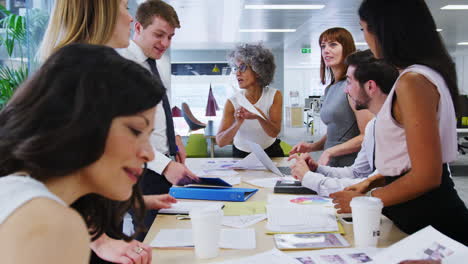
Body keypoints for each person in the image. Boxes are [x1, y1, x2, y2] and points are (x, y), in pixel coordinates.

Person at [37, 0, 176, 262]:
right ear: (99, 13)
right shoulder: (74, 73)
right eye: (124, 7)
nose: (129, 17)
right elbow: (52, 170)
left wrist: (137, 202)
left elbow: (87, 172)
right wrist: (98, 240)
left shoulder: (88, 67)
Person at [0, 44, 163, 264]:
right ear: (82, 122)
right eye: (135, 130)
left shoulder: (18, 194)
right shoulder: (49, 224)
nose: (149, 154)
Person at [330, 0, 468, 246]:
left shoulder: (413, 81)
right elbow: (405, 160)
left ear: (382, 30)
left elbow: (427, 176)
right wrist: (370, 182)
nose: (366, 38)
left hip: (429, 217)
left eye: (363, 29)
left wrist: (368, 199)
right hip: (413, 210)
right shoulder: (423, 74)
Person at [117, 0, 199, 241]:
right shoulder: (123, 66)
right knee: (151, 238)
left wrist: (175, 141)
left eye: (170, 37)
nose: (165, 43)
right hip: (141, 169)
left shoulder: (158, 65)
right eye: (159, 34)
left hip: (163, 163)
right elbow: (126, 131)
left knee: (167, 233)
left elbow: (160, 112)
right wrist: (164, 165)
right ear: (139, 28)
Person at [289, 50, 399, 196]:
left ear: (370, 87)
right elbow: (356, 173)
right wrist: (317, 169)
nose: (346, 90)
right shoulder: (373, 126)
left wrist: (309, 178)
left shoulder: (395, 129)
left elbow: (368, 186)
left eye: (349, 82)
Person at [290, 28, 373, 167]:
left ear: (346, 48)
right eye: (323, 46)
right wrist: (313, 146)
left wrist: (331, 152)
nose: (326, 50)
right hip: (332, 167)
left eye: (333, 45)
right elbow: (337, 131)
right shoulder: (330, 88)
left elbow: (367, 135)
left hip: (350, 168)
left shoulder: (352, 86)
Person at [216, 43, 283, 158]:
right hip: (241, 154)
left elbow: (274, 132)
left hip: (271, 152)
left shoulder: (274, 95)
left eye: (242, 67)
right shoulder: (232, 102)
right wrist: (237, 123)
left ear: (258, 71)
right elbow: (221, 142)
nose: (237, 73)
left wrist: (258, 115)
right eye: (236, 68)